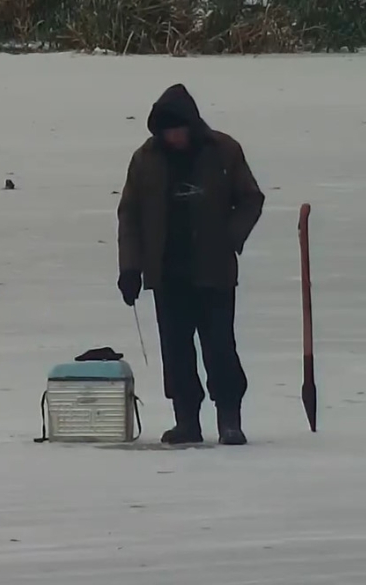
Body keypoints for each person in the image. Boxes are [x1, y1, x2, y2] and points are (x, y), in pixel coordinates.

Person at [116, 83, 265, 446]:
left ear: (192, 125)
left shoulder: (224, 151)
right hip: (167, 274)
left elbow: (250, 199)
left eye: (178, 129)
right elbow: (130, 216)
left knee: (219, 348)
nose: (173, 137)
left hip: (214, 273)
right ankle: (187, 422)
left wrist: (230, 238)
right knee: (177, 352)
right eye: (166, 131)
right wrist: (130, 269)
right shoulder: (144, 160)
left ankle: (229, 419)